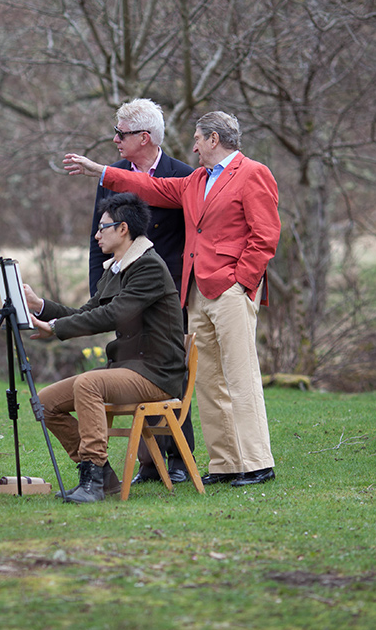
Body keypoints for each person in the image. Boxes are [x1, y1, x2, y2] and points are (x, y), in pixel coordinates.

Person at [63, 111, 281, 488]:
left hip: (230, 289)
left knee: (240, 376)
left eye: (198, 139)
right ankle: (226, 463)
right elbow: (150, 189)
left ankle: (258, 461)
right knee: (209, 380)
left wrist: (242, 281)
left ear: (214, 140)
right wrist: (100, 171)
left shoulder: (252, 173)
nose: (193, 146)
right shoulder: (195, 180)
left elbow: (265, 235)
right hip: (195, 292)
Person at [24, 192, 186, 503]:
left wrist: (55, 329)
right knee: (44, 403)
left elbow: (114, 314)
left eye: (103, 227)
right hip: (128, 369)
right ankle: (106, 478)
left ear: (123, 229)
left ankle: (93, 478)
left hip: (155, 373)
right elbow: (88, 313)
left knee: (89, 382)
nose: (97, 235)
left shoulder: (148, 267)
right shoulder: (117, 269)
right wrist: (41, 307)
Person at [87, 99, 197, 488]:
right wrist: (98, 294)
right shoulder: (112, 175)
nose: (115, 139)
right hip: (124, 298)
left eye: (121, 133)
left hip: (167, 297)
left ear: (144, 137)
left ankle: (181, 457)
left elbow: (190, 239)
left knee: (172, 374)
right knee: (133, 374)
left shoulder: (184, 176)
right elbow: (97, 238)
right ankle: (149, 464)